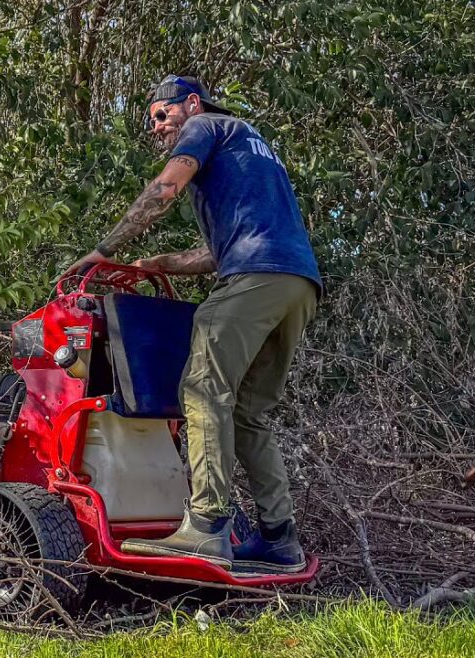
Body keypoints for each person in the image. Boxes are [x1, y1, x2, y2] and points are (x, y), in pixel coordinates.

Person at [63, 75, 322, 573]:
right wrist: (159, 264)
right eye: (153, 121)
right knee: (247, 414)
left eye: (162, 114)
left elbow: (165, 188)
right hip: (297, 285)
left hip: (254, 280)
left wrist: (104, 250)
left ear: (192, 103)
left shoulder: (204, 127)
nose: (157, 126)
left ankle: (204, 527)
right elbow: (222, 250)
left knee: (203, 392)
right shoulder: (248, 143)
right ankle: (279, 539)